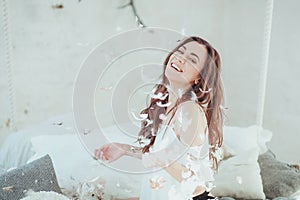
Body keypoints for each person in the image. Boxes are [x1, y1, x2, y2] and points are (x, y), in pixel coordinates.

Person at [94, 36, 225, 200]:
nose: (181, 59)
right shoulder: (165, 106)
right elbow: (161, 157)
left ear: (199, 77)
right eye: (180, 51)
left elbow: (195, 182)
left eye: (192, 59)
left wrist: (162, 160)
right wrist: (125, 149)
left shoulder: (190, 111)